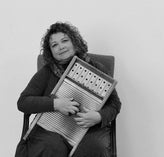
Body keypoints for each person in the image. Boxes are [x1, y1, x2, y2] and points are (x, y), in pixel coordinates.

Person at [15, 22, 121, 157]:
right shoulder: (47, 71)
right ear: (51, 52)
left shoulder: (97, 69)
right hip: (50, 131)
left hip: (88, 129)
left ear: (75, 42)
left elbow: (115, 104)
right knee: (50, 146)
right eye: (54, 45)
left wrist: (99, 116)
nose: (61, 47)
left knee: (93, 148)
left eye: (64, 41)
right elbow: (23, 102)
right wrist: (56, 104)